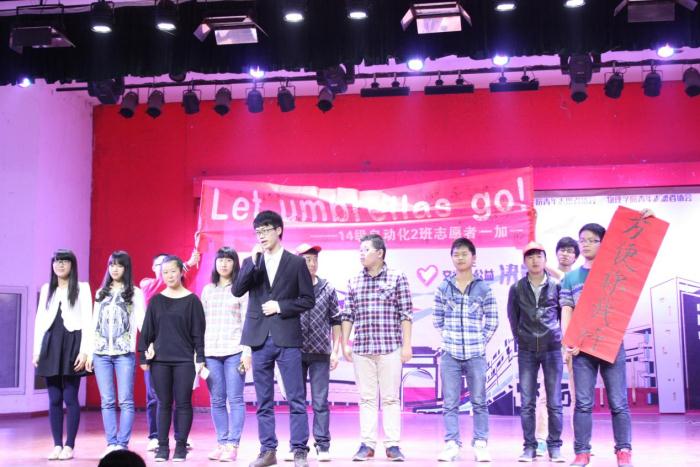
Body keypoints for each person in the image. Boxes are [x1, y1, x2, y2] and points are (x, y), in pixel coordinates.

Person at [233, 210, 315, 467]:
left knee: (295, 397)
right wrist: (251, 262)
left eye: (266, 230)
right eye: (258, 232)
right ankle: (268, 450)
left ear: (278, 230)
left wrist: (280, 306)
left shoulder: (296, 263)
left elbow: (308, 300)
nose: (261, 236)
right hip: (259, 338)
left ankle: (299, 450)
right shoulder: (252, 261)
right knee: (263, 399)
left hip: (287, 337)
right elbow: (237, 290)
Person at [561, 221, 642, 467]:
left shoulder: (614, 271)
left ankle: (623, 450)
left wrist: (644, 218)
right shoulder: (571, 278)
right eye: (582, 240)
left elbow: (636, 246)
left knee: (618, 402)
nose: (585, 244)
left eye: (592, 240)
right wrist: (568, 341)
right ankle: (582, 452)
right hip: (582, 348)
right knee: (583, 403)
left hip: (611, 344)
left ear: (603, 243)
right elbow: (567, 310)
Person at [341, 234, 413, 462]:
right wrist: (345, 343)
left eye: (366, 249)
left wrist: (407, 345)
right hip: (362, 348)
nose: (361, 254)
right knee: (367, 398)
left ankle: (392, 445)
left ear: (380, 253)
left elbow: (406, 313)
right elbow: (347, 314)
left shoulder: (397, 277)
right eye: (360, 250)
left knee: (390, 398)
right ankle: (367, 444)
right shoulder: (354, 281)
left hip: (390, 347)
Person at [433, 238, 498, 463]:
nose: (460, 258)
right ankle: (452, 444)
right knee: (450, 402)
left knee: (479, 400)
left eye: (464, 254)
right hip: (450, 354)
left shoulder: (483, 288)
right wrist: (448, 338)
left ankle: (480, 443)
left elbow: (492, 319)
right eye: (456, 254)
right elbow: (437, 319)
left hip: (475, 354)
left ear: (473, 257)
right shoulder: (444, 287)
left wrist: (480, 341)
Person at [138, 255, 206, 462]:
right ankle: (162, 447)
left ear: (181, 272)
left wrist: (200, 357)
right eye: (165, 272)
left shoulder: (193, 301)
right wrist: (144, 357)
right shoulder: (156, 301)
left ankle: (181, 446)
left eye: (173, 271)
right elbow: (147, 332)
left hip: (185, 360)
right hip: (160, 361)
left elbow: (198, 333)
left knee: (183, 403)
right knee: (163, 403)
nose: (169, 275)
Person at [280, 243, 341, 462]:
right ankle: (297, 446)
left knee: (320, 401)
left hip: (320, 353)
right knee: (296, 401)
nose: (312, 264)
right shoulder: (289, 289)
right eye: (307, 260)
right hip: (293, 352)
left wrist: (335, 351)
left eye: (315, 260)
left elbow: (336, 320)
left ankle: (323, 445)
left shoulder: (328, 288)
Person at [507, 242, 565, 463]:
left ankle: (555, 447)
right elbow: (513, 317)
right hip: (527, 351)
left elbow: (563, 314)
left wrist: (558, 337)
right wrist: (521, 339)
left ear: (545, 260)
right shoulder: (517, 288)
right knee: (528, 402)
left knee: (554, 401)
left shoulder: (556, 286)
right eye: (530, 257)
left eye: (539, 256)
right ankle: (529, 447)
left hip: (552, 349)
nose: (534, 260)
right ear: (524, 262)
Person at [33, 249, 93, 461]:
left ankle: (70, 446)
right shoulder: (47, 288)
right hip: (51, 344)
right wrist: (37, 351)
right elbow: (40, 321)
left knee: (70, 397)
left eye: (65, 261)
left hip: (72, 345)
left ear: (72, 265)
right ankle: (57, 444)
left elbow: (88, 321)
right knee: (54, 398)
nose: (60, 265)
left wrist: (85, 351)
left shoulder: (82, 288)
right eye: (57, 261)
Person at [86, 251, 146, 458]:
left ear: (126, 268)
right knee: (107, 401)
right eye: (111, 264)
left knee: (126, 400)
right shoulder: (101, 293)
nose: (115, 269)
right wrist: (89, 352)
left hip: (124, 353)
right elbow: (93, 324)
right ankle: (111, 443)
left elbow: (142, 322)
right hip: (101, 353)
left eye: (119, 265)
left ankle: (122, 444)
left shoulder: (135, 293)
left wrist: (148, 345)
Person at [202, 247, 251, 462]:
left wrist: (247, 352)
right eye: (220, 260)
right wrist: (199, 354)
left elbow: (248, 322)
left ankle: (232, 445)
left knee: (236, 399)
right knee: (217, 400)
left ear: (235, 264)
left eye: (228, 260)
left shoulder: (241, 290)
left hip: (234, 351)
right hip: (211, 352)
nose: (223, 264)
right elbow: (200, 323)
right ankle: (221, 443)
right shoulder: (207, 290)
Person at [537, 235, 580, 455]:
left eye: (570, 251)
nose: (565, 254)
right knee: (546, 393)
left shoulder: (578, 279)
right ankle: (541, 439)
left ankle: (580, 440)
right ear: (556, 253)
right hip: (551, 341)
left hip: (575, 341)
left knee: (578, 394)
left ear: (576, 256)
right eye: (562, 250)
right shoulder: (545, 279)